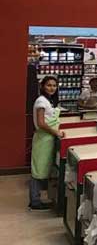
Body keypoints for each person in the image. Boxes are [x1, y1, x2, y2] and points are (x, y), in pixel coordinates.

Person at [29, 76, 65, 210]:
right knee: (38, 170)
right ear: (42, 86)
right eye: (49, 85)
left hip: (47, 139)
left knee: (42, 169)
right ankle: (35, 202)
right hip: (42, 140)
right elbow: (41, 123)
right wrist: (56, 132)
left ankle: (36, 199)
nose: (52, 88)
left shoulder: (48, 100)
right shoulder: (41, 101)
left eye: (54, 86)